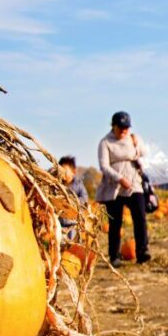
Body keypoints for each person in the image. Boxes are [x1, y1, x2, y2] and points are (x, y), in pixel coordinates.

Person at [95, 111, 151, 267]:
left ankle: (142, 251)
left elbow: (145, 153)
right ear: (113, 126)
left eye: (126, 128)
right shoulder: (105, 142)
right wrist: (119, 178)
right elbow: (104, 166)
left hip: (135, 184)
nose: (124, 131)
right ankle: (114, 256)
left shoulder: (133, 138)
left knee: (140, 218)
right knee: (115, 223)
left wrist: (137, 144)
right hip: (114, 188)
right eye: (121, 128)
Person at [56, 155, 89, 243]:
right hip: (60, 223)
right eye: (60, 170)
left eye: (65, 171)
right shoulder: (57, 185)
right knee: (61, 244)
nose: (62, 173)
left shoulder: (78, 185)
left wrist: (72, 201)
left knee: (73, 245)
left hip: (73, 224)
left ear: (74, 171)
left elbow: (85, 199)